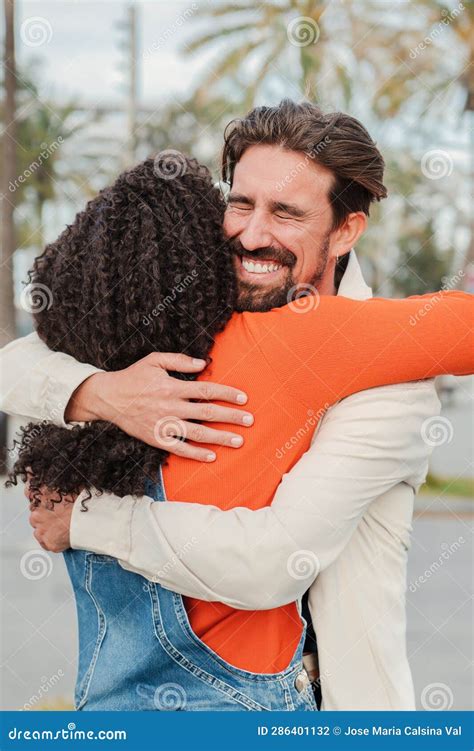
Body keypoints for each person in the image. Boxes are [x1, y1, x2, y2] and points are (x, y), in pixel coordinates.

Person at [3, 101, 473, 710]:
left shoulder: (385, 379)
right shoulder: (192, 323)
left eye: (285, 213)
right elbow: (21, 358)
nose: (251, 235)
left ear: (346, 229)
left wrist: (85, 519)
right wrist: (103, 394)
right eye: (241, 203)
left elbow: (271, 561)